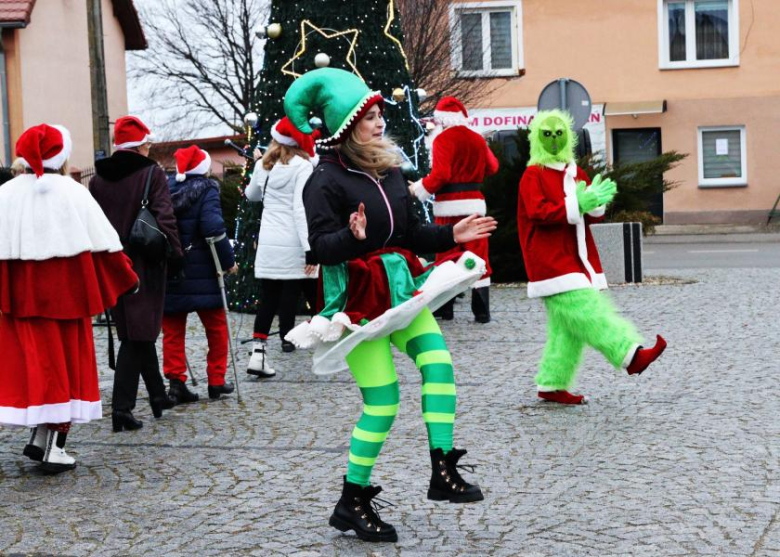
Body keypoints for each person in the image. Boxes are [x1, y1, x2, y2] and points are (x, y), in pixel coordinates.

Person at [282, 68, 497, 543]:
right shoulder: (322, 181)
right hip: (356, 304)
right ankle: (351, 501)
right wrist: (350, 236)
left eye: (380, 115)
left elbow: (411, 234)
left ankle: (443, 469)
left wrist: (451, 235)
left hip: (400, 292)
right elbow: (320, 246)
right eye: (370, 117)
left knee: (439, 366)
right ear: (345, 126)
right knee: (383, 404)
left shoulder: (391, 169)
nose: (380, 123)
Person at [0, 124, 138, 472]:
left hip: (18, 301)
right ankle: (53, 445)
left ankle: (39, 438)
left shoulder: (7, 193)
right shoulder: (72, 192)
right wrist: (128, 279)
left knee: (30, 368)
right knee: (66, 370)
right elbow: (105, 244)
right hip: (67, 297)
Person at [517, 110, 667, 405]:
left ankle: (552, 383)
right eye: (546, 134)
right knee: (590, 313)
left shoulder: (575, 173)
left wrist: (596, 202)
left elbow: (588, 216)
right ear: (537, 138)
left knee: (567, 330)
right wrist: (577, 203)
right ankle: (631, 355)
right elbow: (539, 212)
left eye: (558, 133)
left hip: (575, 259)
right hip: (550, 262)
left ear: (568, 137)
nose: (553, 140)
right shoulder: (532, 175)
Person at [90, 116, 183, 431]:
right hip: (144, 260)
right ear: (140, 144)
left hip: (111, 261)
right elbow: (164, 215)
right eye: (147, 143)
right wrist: (176, 253)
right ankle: (122, 409)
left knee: (135, 330)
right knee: (135, 336)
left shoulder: (97, 180)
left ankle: (157, 396)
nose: (149, 148)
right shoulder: (151, 173)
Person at [409, 97, 499, 322]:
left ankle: (445, 308)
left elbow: (441, 175)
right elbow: (493, 167)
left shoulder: (442, 139)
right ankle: (482, 311)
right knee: (478, 254)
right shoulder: (477, 138)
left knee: (447, 256)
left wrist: (418, 189)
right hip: (475, 204)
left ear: (441, 119)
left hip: (449, 205)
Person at [244, 117, 319, 378]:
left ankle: (258, 354)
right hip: (294, 243)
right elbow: (300, 208)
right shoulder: (303, 166)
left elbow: (251, 196)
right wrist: (310, 247)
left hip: (268, 243)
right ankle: (321, 343)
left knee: (268, 299)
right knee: (303, 292)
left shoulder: (262, 165)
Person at [162, 145, 236, 401]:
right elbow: (213, 228)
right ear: (204, 168)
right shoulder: (208, 190)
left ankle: (175, 382)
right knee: (216, 327)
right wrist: (228, 261)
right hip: (204, 268)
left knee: (172, 329)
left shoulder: (166, 190)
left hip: (172, 268)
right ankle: (216, 380)